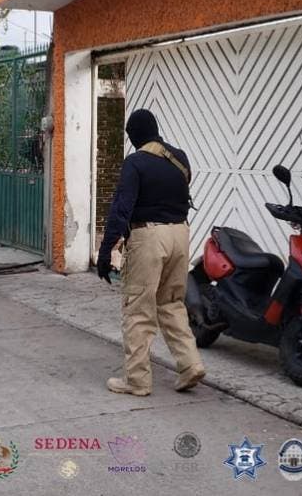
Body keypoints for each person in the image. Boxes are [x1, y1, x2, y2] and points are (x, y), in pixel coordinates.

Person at [96, 109, 205, 396]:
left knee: (138, 309)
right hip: (180, 234)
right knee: (172, 303)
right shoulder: (179, 158)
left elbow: (121, 208)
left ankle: (137, 380)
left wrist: (105, 252)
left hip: (149, 237)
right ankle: (190, 365)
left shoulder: (135, 162)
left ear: (134, 135)